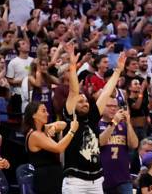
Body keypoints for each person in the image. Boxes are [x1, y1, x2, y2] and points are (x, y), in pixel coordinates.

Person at [61, 44, 126, 194]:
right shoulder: (71, 117)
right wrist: (72, 66)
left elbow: (106, 93)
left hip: (97, 180)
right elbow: (73, 91)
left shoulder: (92, 117)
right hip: (75, 181)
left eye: (85, 101)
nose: (85, 103)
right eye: (80, 101)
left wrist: (117, 71)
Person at [23, 102, 79, 194]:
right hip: (45, 179)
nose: (47, 114)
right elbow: (59, 148)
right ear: (33, 115)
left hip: (52, 177)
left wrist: (53, 126)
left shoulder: (42, 129)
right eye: (44, 111)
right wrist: (72, 131)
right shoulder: (34, 135)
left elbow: (63, 124)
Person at [98, 97, 139, 194]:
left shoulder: (123, 126)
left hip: (123, 178)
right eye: (109, 106)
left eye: (115, 106)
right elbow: (100, 142)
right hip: (102, 178)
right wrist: (113, 123)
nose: (113, 109)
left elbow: (134, 144)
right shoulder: (97, 124)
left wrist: (128, 123)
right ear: (102, 107)